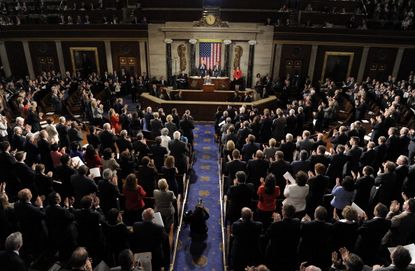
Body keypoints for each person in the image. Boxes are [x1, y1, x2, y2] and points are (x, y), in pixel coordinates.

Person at [265, 204, 301, 271]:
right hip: (291, 254)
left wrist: (275, 222)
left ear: (283, 212)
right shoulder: (297, 222)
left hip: (277, 255)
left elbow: (266, 235)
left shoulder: (275, 225)